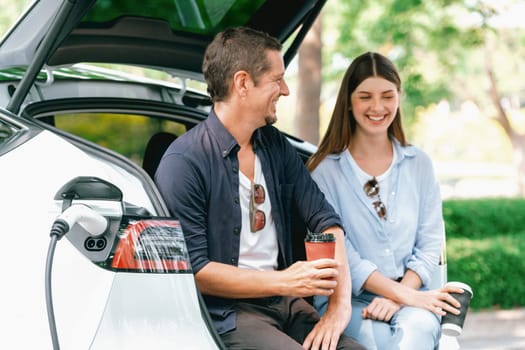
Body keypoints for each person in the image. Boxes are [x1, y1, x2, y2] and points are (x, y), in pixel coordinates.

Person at [155, 27, 365, 350]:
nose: (285, 90)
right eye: (276, 79)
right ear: (242, 83)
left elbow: (327, 221)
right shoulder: (185, 162)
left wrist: (339, 307)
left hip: (287, 305)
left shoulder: (275, 146)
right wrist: (286, 280)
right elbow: (196, 271)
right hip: (228, 314)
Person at [306, 52, 465, 350]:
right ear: (348, 101)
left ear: (399, 97)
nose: (377, 107)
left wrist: (400, 296)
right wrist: (400, 295)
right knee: (377, 341)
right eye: (365, 96)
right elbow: (342, 255)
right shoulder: (324, 172)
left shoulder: (419, 164)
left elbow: (430, 244)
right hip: (347, 300)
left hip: (412, 295)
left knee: (417, 331)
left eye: (387, 96)